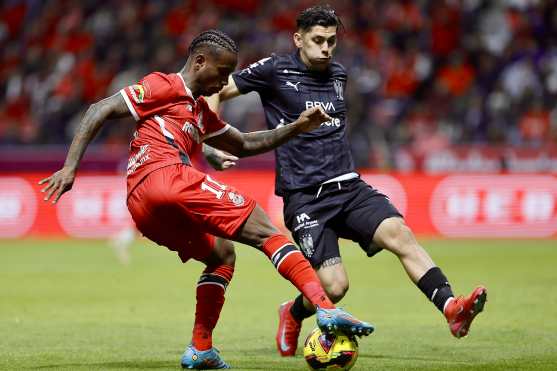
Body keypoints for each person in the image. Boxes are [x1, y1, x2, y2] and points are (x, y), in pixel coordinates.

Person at [39, 29, 374, 370]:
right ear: (200, 62)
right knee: (263, 228)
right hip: (165, 177)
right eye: (223, 71)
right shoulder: (163, 85)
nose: (225, 82)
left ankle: (201, 349)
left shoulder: (199, 112)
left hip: (143, 207)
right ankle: (325, 307)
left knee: (222, 256)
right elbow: (99, 109)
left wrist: (295, 127)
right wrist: (69, 168)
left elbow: (243, 144)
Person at [207, 7, 488, 357]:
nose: (326, 48)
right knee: (335, 287)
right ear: (298, 39)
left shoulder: (338, 74)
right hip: (305, 197)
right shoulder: (274, 69)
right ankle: (292, 313)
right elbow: (214, 90)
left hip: (349, 187)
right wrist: (211, 140)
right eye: (318, 41)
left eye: (332, 41)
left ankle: (452, 309)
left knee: (400, 234)